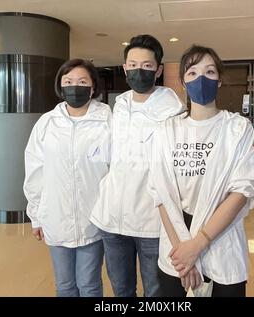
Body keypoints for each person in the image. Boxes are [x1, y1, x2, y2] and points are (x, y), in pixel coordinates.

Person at [148, 45, 254, 297]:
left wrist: (198, 245)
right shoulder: (166, 130)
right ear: (182, 82)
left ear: (219, 80)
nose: (201, 78)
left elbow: (242, 190)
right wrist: (184, 252)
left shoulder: (237, 129)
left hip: (220, 239)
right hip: (175, 245)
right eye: (192, 73)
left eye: (209, 71)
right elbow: (160, 193)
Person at [89, 34, 185, 297]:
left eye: (146, 66)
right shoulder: (118, 106)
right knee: (121, 290)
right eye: (132, 65)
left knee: (155, 291)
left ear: (158, 70)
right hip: (113, 218)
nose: (138, 71)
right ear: (124, 68)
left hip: (152, 221)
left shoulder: (172, 110)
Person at [23, 59, 112, 297]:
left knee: (90, 285)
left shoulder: (107, 121)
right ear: (61, 87)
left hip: (93, 219)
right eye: (68, 82)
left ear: (93, 87)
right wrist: (36, 215)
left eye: (82, 81)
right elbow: (35, 171)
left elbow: (116, 170)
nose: (75, 86)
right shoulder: (47, 124)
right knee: (64, 286)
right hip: (56, 218)